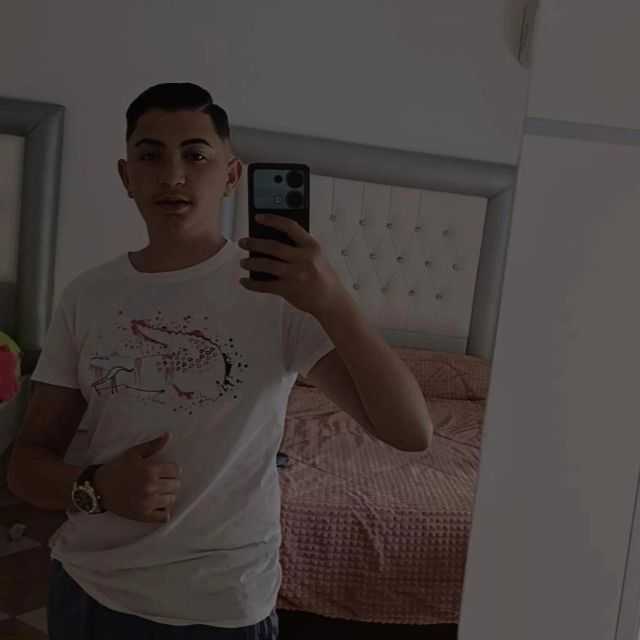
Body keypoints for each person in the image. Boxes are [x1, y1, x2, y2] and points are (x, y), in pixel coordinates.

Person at [8, 82, 433, 639]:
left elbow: (410, 431)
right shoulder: (87, 296)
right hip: (91, 592)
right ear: (126, 176)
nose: (173, 175)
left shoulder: (281, 296)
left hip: (221, 606)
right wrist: (97, 487)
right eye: (150, 155)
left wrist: (333, 301)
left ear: (231, 176)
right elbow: (25, 467)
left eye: (196, 155)